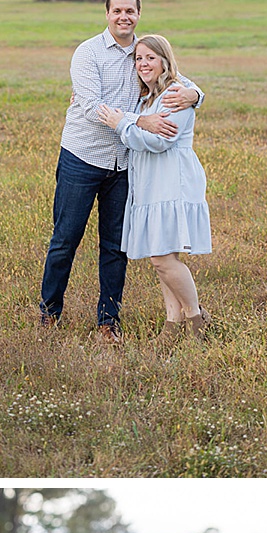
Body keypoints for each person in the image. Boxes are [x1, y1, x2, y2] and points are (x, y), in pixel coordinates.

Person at [39, 0, 199, 340]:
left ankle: (108, 321)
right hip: (83, 157)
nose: (123, 16)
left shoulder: (145, 52)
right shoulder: (88, 53)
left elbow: (176, 78)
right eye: (117, 11)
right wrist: (140, 121)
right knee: (66, 239)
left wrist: (197, 95)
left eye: (130, 11)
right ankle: (49, 312)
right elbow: (90, 107)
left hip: (125, 164)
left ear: (138, 14)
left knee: (115, 246)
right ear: (107, 14)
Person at [94, 33, 212, 334]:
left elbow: (160, 141)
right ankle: (171, 326)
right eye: (139, 58)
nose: (143, 64)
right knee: (164, 256)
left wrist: (120, 124)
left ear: (164, 61)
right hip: (151, 183)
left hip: (172, 182)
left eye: (150, 57)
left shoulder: (175, 93)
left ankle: (196, 319)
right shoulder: (147, 97)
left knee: (161, 259)